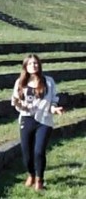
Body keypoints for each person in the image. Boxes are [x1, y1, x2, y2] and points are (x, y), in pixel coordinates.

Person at [11, 54, 64, 191]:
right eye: (30, 64)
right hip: (26, 119)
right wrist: (18, 104)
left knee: (39, 151)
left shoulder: (49, 81)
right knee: (26, 153)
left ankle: (39, 180)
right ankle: (31, 174)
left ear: (39, 65)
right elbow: (17, 102)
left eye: (35, 63)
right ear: (25, 67)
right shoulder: (20, 83)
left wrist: (54, 108)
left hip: (44, 120)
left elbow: (52, 100)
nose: (33, 66)